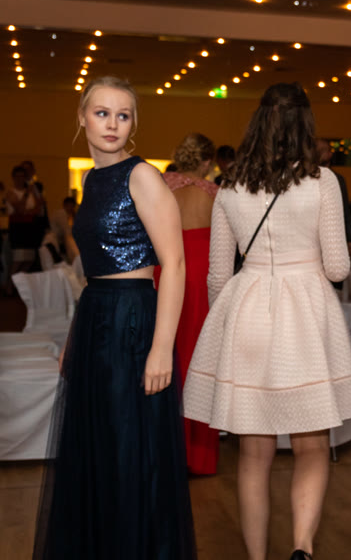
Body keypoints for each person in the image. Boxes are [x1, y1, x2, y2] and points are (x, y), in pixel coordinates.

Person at [183, 82, 351, 560]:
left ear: (257, 122)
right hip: (306, 315)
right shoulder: (322, 181)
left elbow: (218, 275)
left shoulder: (230, 186)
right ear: (306, 125)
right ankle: (302, 547)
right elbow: (337, 268)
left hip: (248, 309)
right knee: (312, 446)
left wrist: (229, 319)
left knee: (253, 455)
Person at [32, 76, 195, 559]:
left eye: (122, 116)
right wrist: (74, 337)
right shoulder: (90, 179)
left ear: (133, 124)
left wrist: (161, 348)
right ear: (82, 117)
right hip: (96, 316)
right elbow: (94, 270)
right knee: (97, 448)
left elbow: (175, 264)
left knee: (128, 449)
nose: (112, 124)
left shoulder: (141, 176)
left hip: (133, 321)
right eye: (101, 113)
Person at [154, 133, 221, 475]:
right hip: (201, 275)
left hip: (164, 271)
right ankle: (198, 455)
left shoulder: (161, 188)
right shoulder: (214, 194)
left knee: (166, 352)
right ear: (207, 162)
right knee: (199, 358)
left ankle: (163, 450)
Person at [5, 164, 43, 287]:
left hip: (29, 227)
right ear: (13, 177)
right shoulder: (11, 192)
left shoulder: (31, 192)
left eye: (22, 176)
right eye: (17, 176)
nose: (20, 179)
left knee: (29, 259)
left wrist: (28, 210)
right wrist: (26, 195)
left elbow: (38, 209)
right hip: (18, 228)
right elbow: (20, 209)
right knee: (18, 259)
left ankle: (17, 284)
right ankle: (9, 285)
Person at [316, 137, 351, 250]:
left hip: (332, 234)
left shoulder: (338, 179)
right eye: (317, 150)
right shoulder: (306, 178)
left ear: (330, 154)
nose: (319, 153)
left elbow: (345, 208)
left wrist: (350, 238)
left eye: (323, 150)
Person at [49, 196, 79, 263]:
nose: (71, 208)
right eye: (69, 206)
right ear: (65, 205)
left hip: (58, 241)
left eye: (72, 207)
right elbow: (66, 230)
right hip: (54, 242)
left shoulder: (67, 215)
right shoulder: (61, 213)